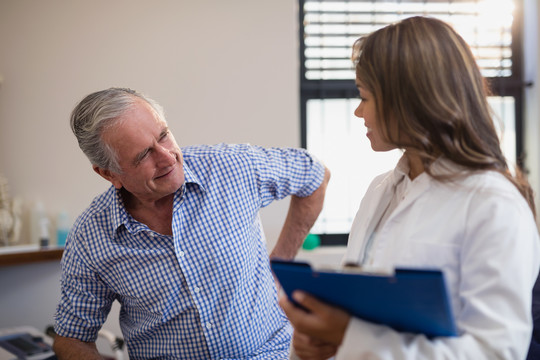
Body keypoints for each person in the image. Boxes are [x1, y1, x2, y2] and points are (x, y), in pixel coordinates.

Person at [279, 16, 540, 360]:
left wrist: (351, 337)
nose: (358, 112)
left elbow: (496, 351)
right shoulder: (380, 191)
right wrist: (318, 344)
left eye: (365, 96)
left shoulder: (494, 204)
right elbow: (358, 309)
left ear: (411, 100)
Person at [53, 87, 330, 359]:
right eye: (143, 155)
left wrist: (279, 264)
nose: (167, 157)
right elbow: (71, 338)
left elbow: (315, 175)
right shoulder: (90, 236)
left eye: (164, 135)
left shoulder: (231, 167)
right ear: (108, 174)